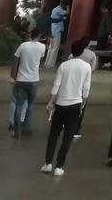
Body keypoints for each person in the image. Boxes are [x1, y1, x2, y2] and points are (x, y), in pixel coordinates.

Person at [42, 38, 92, 177]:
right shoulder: (86, 67)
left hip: (61, 104)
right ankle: (59, 166)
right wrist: (83, 104)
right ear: (82, 52)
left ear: (72, 51)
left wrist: (50, 102)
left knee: (53, 135)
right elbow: (86, 88)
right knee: (68, 137)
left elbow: (56, 85)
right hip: (75, 105)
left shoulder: (64, 65)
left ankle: (48, 163)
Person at [10, 27, 46, 136]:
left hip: (21, 79)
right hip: (34, 79)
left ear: (30, 35)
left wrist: (12, 77)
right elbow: (40, 60)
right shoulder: (42, 47)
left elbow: (15, 61)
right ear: (39, 36)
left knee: (19, 105)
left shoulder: (23, 46)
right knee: (30, 105)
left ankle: (16, 131)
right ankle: (26, 128)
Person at [71, 38, 97, 140]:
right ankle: (76, 129)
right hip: (84, 81)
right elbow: (93, 68)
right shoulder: (92, 54)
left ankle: (64, 125)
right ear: (89, 44)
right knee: (81, 106)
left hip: (72, 82)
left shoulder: (73, 54)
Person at [45, 0, 68, 68]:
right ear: (63, 5)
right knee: (55, 47)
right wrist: (68, 7)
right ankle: (51, 63)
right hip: (57, 30)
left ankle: (47, 62)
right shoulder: (59, 10)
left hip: (52, 30)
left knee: (51, 47)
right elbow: (67, 12)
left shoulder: (54, 9)